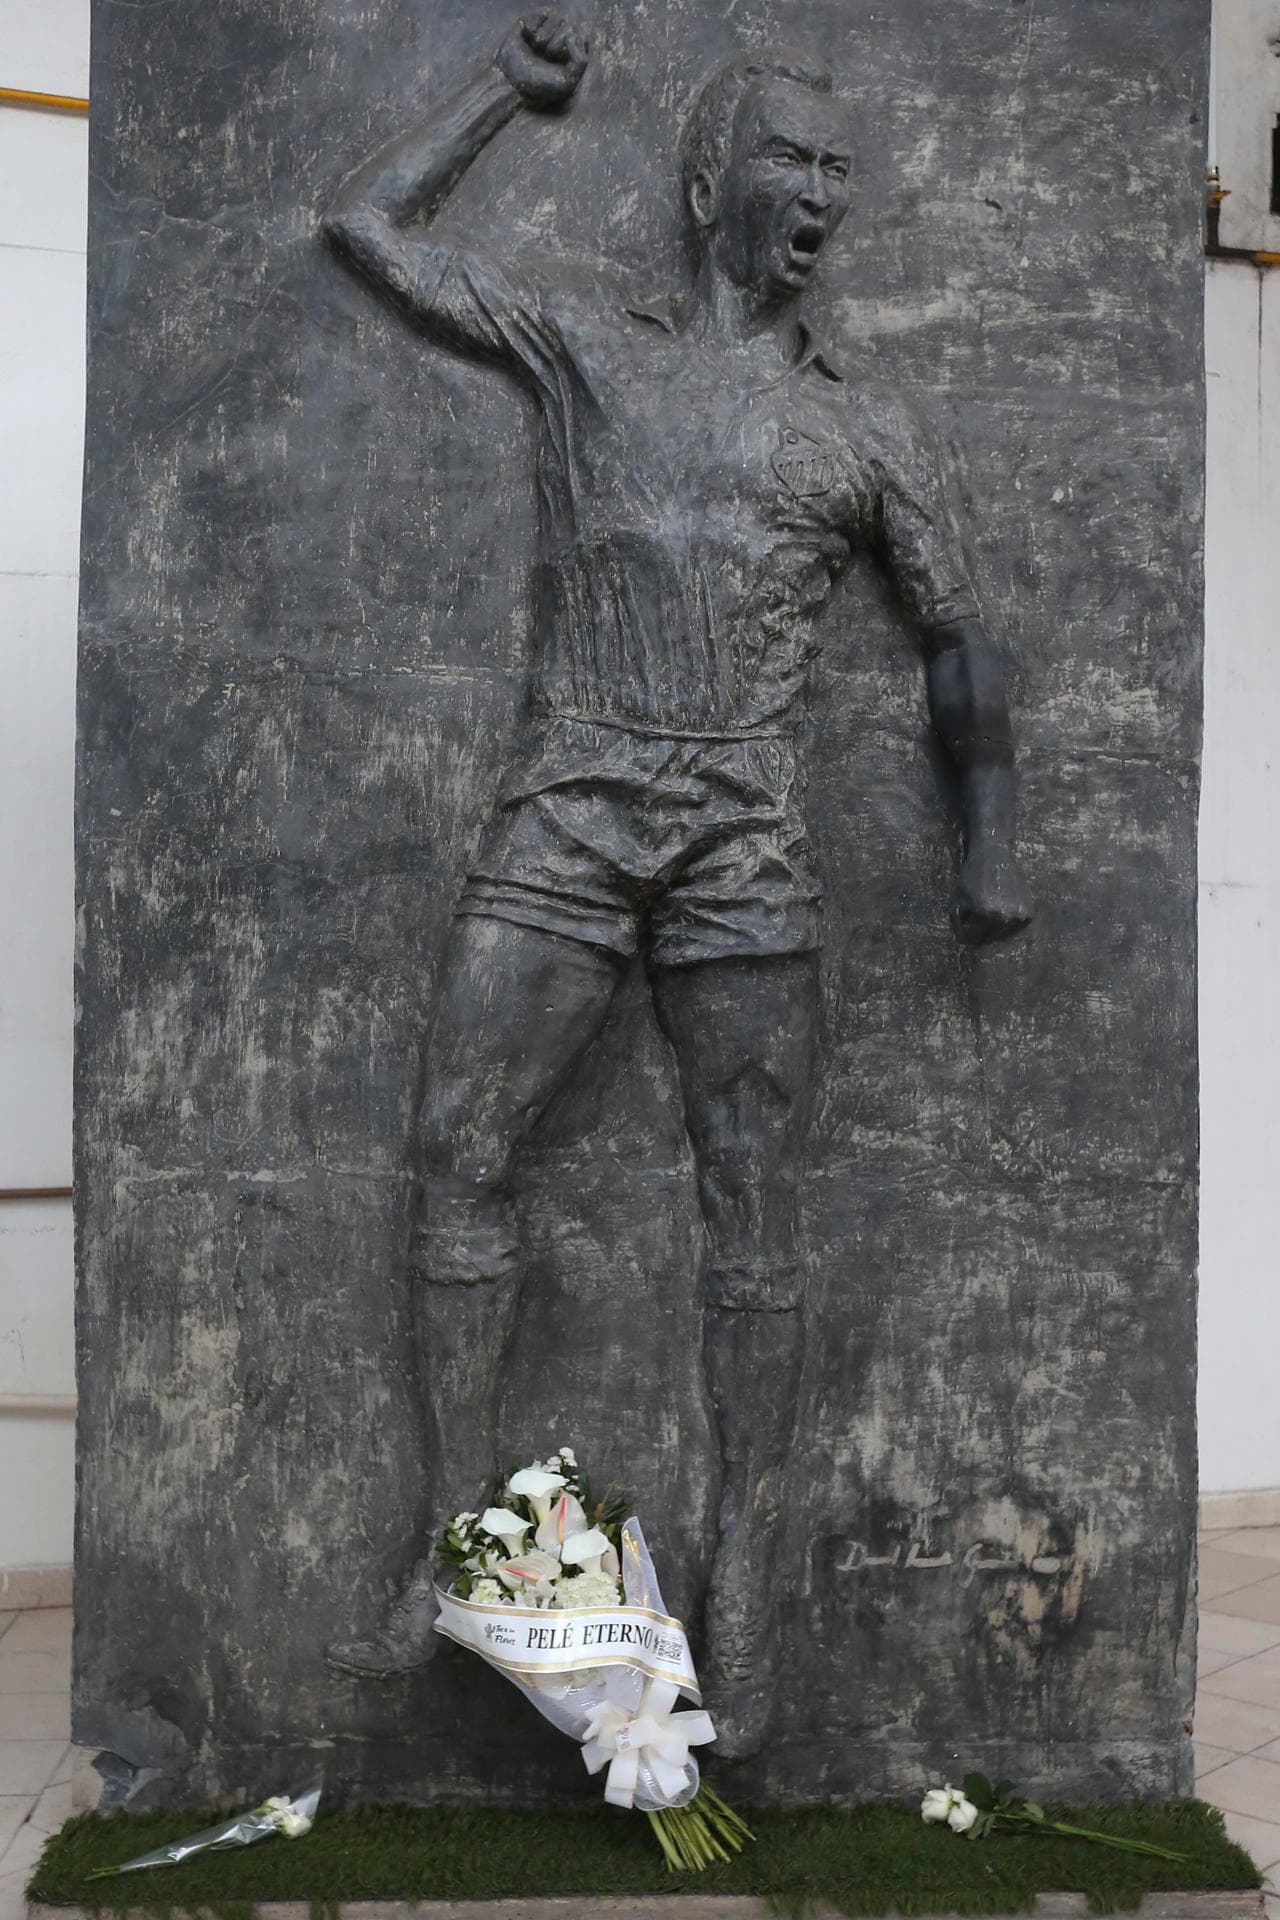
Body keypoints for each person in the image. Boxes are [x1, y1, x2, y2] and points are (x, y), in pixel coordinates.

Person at [321, 9, 1032, 1757]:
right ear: (712, 179)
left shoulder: (865, 429)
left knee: (753, 1214)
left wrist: (989, 836)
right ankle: (449, 1543)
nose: (823, 200)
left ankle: (747, 1591)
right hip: (569, 804)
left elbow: (958, 647)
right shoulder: (585, 343)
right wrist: (508, 88)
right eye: (792, 162)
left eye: (842, 175)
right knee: (457, 1148)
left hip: (742, 838)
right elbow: (369, 231)